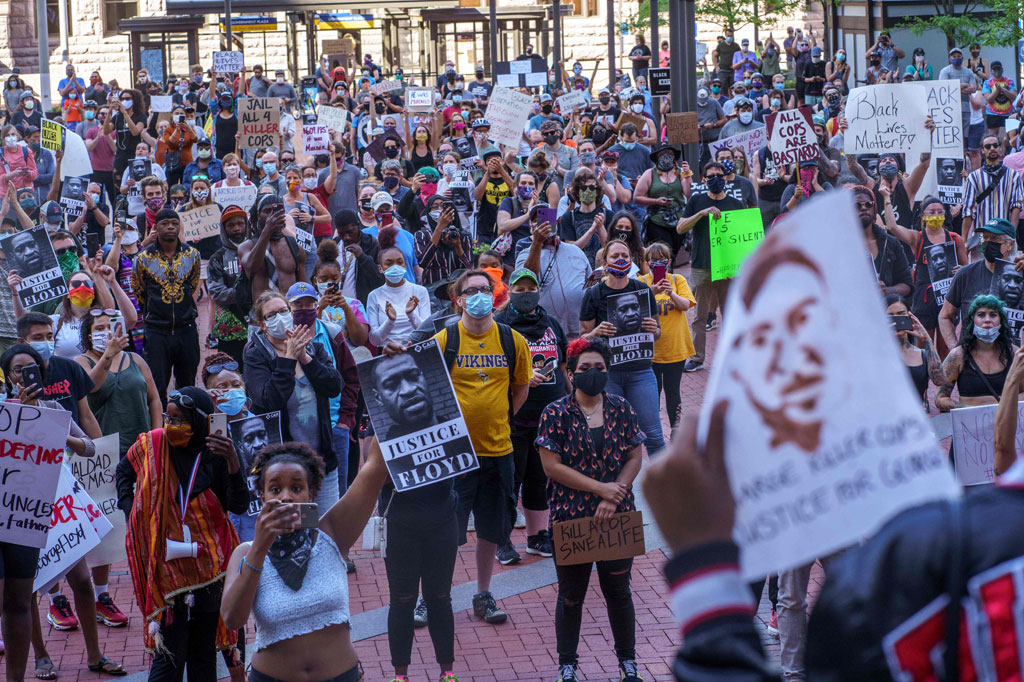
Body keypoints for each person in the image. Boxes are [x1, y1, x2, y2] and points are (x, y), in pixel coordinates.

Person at [218, 436, 390, 682]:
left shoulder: (333, 532)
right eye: (275, 489)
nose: (286, 497)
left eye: (296, 488)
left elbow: (374, 469)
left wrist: (388, 414)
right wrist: (259, 548)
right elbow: (232, 619)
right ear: (262, 496)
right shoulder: (245, 553)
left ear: (311, 494)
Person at [116, 387, 247, 682]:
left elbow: (237, 505)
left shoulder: (216, 453)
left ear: (199, 422)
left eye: (179, 420)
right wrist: (133, 512)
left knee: (203, 658)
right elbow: (123, 472)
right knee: (169, 660)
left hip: (210, 569)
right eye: (168, 417)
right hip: (168, 573)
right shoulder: (153, 444)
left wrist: (233, 462)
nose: (170, 426)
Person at [535, 336, 645, 682]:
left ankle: (628, 663)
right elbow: (551, 466)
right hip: (572, 518)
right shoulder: (555, 413)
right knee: (571, 596)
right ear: (571, 373)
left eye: (599, 367)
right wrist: (600, 489)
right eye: (585, 368)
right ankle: (567, 665)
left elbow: (635, 456)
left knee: (619, 593)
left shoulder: (621, 408)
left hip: (617, 517)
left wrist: (615, 495)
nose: (593, 373)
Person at [431, 269, 532, 624]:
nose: (479, 296)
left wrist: (498, 416)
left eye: (485, 289)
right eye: (471, 291)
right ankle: (433, 596)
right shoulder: (444, 340)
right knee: (443, 531)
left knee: (491, 529)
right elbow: (430, 393)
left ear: (494, 295)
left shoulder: (511, 340)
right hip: (454, 456)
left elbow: (521, 387)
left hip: (498, 451)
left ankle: (483, 594)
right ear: (458, 299)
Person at [243, 288, 343, 513]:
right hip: (284, 470)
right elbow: (268, 400)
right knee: (292, 527)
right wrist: (288, 359)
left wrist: (305, 357)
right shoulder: (256, 356)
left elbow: (334, 386)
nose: (279, 317)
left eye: (283, 311)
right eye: (271, 315)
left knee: (326, 527)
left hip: (322, 463)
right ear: (262, 324)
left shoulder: (313, 347)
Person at [495, 268, 564, 560]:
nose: (526, 294)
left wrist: (570, 402)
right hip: (512, 417)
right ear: (510, 292)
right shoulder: (499, 326)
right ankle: (502, 541)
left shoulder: (551, 323)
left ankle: (537, 537)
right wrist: (522, 377)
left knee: (540, 479)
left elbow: (563, 365)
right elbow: (491, 368)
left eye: (531, 289)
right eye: (520, 290)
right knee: (510, 481)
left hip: (547, 420)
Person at [579, 239, 665, 455]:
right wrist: (596, 333)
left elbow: (657, 334)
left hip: (641, 372)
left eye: (624, 256)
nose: (620, 260)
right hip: (608, 375)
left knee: (654, 435)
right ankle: (621, 478)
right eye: (615, 256)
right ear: (604, 263)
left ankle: (664, 478)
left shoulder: (642, 290)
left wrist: (653, 329)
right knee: (613, 439)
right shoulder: (593, 294)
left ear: (631, 260)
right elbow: (583, 340)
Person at [676, 162, 745, 372]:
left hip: (728, 268)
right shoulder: (696, 201)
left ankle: (734, 358)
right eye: (711, 176)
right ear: (704, 180)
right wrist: (701, 214)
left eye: (719, 175)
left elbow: (742, 240)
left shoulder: (736, 204)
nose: (716, 179)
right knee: (700, 316)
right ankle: (697, 359)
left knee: (730, 315)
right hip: (702, 265)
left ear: (726, 178)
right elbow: (680, 228)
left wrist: (738, 267)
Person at [131, 208, 202, 402]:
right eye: (165, 223)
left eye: (174, 223)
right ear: (156, 227)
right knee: (156, 385)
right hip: (157, 331)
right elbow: (139, 290)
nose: (170, 227)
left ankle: (185, 419)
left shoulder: (192, 255)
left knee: (187, 385)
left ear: (179, 227)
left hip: (186, 329)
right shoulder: (143, 258)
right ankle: (159, 420)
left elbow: (193, 284)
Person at [75, 307, 162, 456]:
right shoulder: (81, 362)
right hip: (108, 451)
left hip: (142, 445)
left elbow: (154, 400)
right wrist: (109, 354)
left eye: (111, 326)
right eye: (100, 328)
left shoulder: (135, 359)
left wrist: (156, 436)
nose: (107, 332)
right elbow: (92, 386)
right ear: (90, 337)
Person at [638, 242, 695, 429]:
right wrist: (651, 292)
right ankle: (655, 430)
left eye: (662, 260)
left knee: (673, 392)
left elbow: (686, 305)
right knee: (652, 394)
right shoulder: (641, 282)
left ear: (669, 262)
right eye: (653, 260)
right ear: (647, 263)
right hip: (651, 350)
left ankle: (675, 429)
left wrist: (671, 293)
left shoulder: (677, 280)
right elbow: (636, 310)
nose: (658, 264)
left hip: (675, 348)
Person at [517, 208, 593, 339]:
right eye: (536, 221)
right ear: (530, 225)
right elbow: (527, 281)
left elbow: (590, 285)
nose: (542, 224)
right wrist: (537, 242)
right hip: (546, 335)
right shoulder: (525, 254)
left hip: (580, 331)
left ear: (556, 223)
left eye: (547, 220)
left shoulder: (575, 251)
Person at [936, 293, 1019, 414]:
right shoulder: (958, 356)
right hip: (970, 424)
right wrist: (965, 409)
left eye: (993, 315)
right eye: (981, 315)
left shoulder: (1014, 354)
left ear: (1001, 320)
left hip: (1006, 424)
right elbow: (940, 398)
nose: (987, 320)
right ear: (972, 321)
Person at [238, 194, 305, 303]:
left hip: (290, 309)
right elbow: (251, 266)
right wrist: (267, 231)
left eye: (278, 210)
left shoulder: (294, 247)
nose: (273, 215)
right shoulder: (247, 246)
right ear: (258, 215)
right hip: (263, 310)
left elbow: (303, 287)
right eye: (267, 211)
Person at [367, 230, 430, 345]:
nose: (395, 267)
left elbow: (427, 332)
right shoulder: (374, 296)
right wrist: (390, 321)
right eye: (389, 264)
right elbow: (374, 340)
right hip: (388, 351)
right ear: (380, 269)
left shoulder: (420, 291)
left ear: (405, 265)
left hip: (415, 349)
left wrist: (411, 314)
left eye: (399, 262)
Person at [962, 135, 1023, 247]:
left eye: (995, 145)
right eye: (988, 146)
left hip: (1004, 237)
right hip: (981, 238)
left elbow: (1016, 207)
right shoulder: (973, 178)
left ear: (1000, 148)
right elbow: (968, 211)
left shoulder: (1013, 176)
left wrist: (1011, 235)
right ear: (982, 150)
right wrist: (964, 240)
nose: (992, 148)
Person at [884, 296, 947, 406]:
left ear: (910, 317)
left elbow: (940, 381)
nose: (896, 321)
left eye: (901, 314)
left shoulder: (922, 355)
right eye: (890, 317)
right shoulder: (877, 355)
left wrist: (927, 340)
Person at [633, 144, 690, 262]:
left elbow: (689, 194)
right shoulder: (649, 173)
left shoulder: (680, 172)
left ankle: (670, 272)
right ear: (657, 157)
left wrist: (687, 176)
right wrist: (655, 201)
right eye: (663, 154)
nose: (666, 156)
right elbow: (637, 197)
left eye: (670, 153)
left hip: (678, 220)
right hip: (657, 219)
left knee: (673, 255)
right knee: (664, 254)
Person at [938, 47, 979, 138]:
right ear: (950, 58)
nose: (956, 58)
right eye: (954, 56)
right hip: (949, 109)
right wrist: (964, 85)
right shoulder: (945, 71)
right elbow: (943, 88)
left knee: (964, 135)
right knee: (951, 134)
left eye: (958, 56)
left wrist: (954, 87)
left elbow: (973, 88)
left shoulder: (968, 72)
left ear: (962, 57)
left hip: (965, 107)